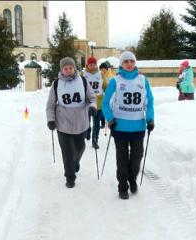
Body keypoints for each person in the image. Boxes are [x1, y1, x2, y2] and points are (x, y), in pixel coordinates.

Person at [102, 51, 154, 200]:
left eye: (132, 61)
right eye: (126, 61)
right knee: (122, 158)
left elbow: (149, 101)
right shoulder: (115, 81)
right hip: (119, 127)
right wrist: (110, 119)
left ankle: (132, 179)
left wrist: (150, 119)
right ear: (121, 64)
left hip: (138, 127)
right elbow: (106, 103)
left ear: (135, 63)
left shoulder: (143, 80)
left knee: (137, 156)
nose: (129, 64)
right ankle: (122, 186)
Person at [46, 57, 97, 188]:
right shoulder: (56, 84)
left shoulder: (83, 81)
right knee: (67, 152)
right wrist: (51, 120)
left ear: (74, 68)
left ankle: (75, 162)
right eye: (65, 68)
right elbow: (51, 104)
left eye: (70, 68)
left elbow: (91, 97)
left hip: (81, 123)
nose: (68, 70)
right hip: (63, 124)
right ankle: (70, 177)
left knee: (80, 147)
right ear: (61, 70)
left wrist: (92, 106)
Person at [84, 57, 108, 149]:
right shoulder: (83, 74)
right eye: (90, 64)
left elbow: (105, 85)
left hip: (98, 102)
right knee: (86, 120)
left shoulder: (101, 74)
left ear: (96, 65)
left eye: (94, 64)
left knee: (96, 122)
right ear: (87, 65)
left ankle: (95, 140)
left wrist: (109, 95)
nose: (92, 66)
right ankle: (88, 130)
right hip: (86, 102)